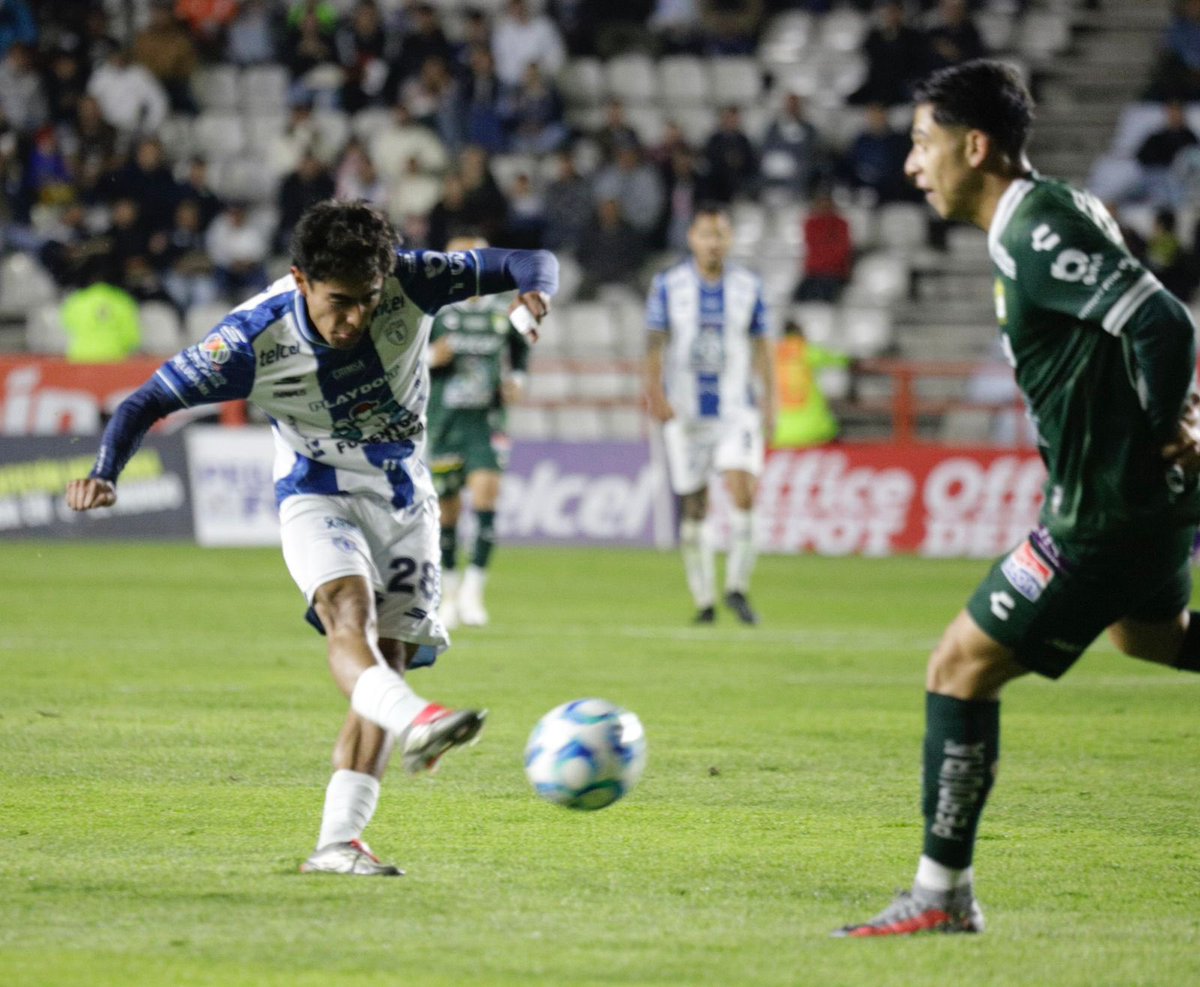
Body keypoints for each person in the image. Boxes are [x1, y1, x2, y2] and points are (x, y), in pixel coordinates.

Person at [66, 200, 557, 876]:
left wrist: (536, 294)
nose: (355, 317)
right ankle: (417, 718)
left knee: (388, 659)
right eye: (339, 302)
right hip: (316, 491)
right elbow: (144, 401)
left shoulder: (412, 278)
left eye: (368, 300)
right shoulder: (249, 339)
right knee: (345, 615)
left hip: (406, 498)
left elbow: (528, 259)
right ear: (300, 280)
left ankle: (337, 843)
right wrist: (105, 472)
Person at [836, 60, 1200, 938]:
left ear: (975, 145)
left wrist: (1164, 426)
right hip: (1142, 505)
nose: (914, 165)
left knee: (957, 667)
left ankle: (941, 892)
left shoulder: (1035, 227)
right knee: (1149, 637)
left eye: (924, 145)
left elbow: (1164, 322)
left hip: (1107, 509)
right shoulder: (1048, 214)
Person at [644, 202, 776, 626]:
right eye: (706, 234)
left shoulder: (749, 287)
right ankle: (704, 599)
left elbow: (762, 346)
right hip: (685, 412)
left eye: (720, 234)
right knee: (695, 505)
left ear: (730, 239)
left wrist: (770, 402)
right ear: (692, 239)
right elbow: (654, 342)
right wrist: (654, 392)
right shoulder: (669, 285)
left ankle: (736, 587)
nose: (713, 243)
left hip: (737, 409)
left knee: (743, 490)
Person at [427, 234, 532, 629]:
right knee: (447, 512)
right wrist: (428, 357)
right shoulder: (434, 312)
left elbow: (521, 350)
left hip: (486, 422)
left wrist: (517, 379)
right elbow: (401, 360)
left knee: (487, 498)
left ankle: (474, 590)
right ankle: (450, 593)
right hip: (444, 422)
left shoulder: (503, 311)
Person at [771, 319, 849, 448]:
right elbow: (842, 359)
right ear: (802, 333)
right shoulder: (807, 350)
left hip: (779, 433)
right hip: (814, 430)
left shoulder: (773, 353)